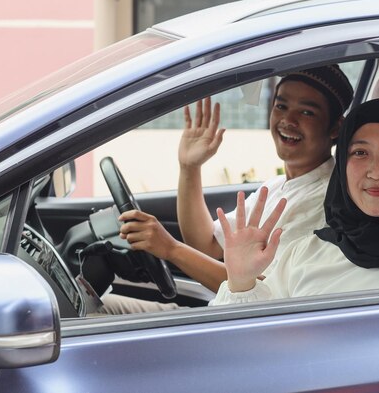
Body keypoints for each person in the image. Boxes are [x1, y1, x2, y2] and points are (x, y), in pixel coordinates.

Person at [98, 66, 354, 315]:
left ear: (335, 127)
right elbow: (208, 244)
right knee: (95, 308)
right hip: (218, 311)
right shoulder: (276, 187)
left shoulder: (325, 202)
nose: (288, 120)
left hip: (235, 329)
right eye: (281, 106)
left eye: (307, 112)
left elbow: (267, 290)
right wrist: (190, 167)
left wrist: (171, 249)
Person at [211, 98, 379, 305]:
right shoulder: (305, 252)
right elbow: (239, 341)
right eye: (360, 153)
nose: (377, 171)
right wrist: (241, 282)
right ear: (342, 167)